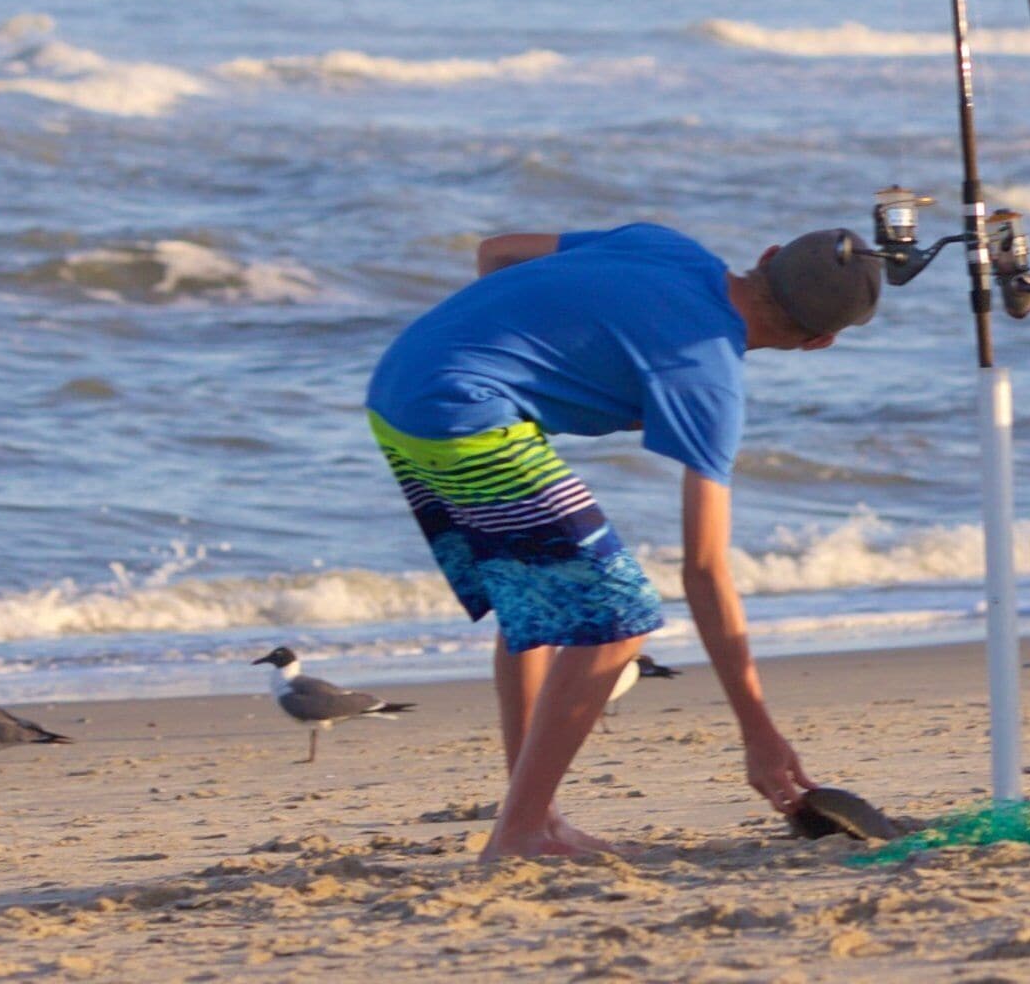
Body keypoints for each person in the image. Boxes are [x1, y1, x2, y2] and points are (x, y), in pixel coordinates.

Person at [363, 221, 884, 859]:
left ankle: (536, 817)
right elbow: (704, 569)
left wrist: (530, 364)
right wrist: (758, 732)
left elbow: (495, 251)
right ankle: (523, 830)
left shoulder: (668, 246)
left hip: (397, 384)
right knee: (616, 617)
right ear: (821, 342)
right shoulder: (708, 374)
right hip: (461, 413)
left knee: (545, 600)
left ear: (767, 256)